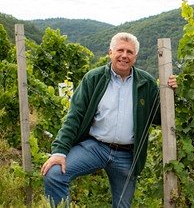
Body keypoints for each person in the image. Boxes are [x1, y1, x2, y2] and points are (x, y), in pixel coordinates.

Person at [41, 32, 178, 207]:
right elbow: (74, 117)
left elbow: (159, 118)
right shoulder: (94, 78)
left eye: (129, 52)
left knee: (122, 205)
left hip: (127, 155)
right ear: (110, 52)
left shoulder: (146, 83)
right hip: (95, 147)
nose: (124, 56)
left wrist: (170, 93)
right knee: (54, 174)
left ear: (135, 56)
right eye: (120, 50)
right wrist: (59, 152)